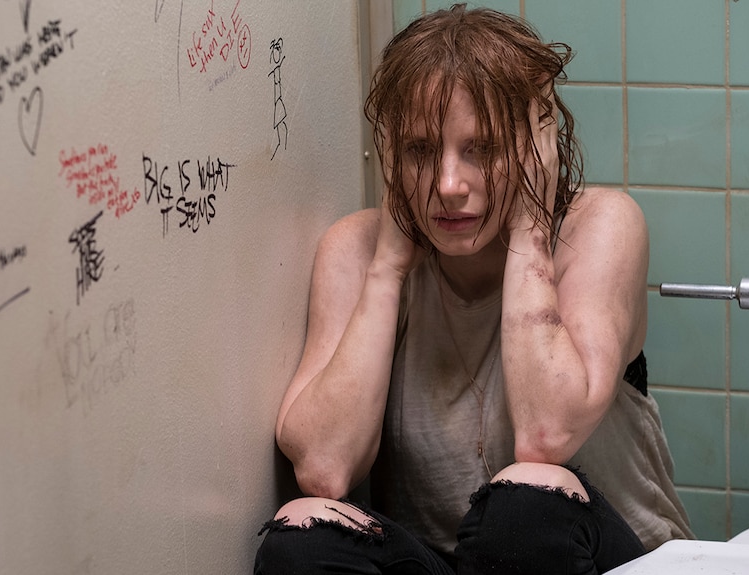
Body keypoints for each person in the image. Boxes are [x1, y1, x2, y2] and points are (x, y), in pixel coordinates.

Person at [254, 5, 693, 574]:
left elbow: (546, 434)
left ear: (535, 144)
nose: (448, 185)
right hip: (457, 565)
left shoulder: (600, 227)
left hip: (607, 559)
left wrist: (531, 229)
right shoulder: (356, 249)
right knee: (300, 534)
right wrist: (387, 267)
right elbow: (324, 467)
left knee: (527, 507)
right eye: (419, 150)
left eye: (480, 149)